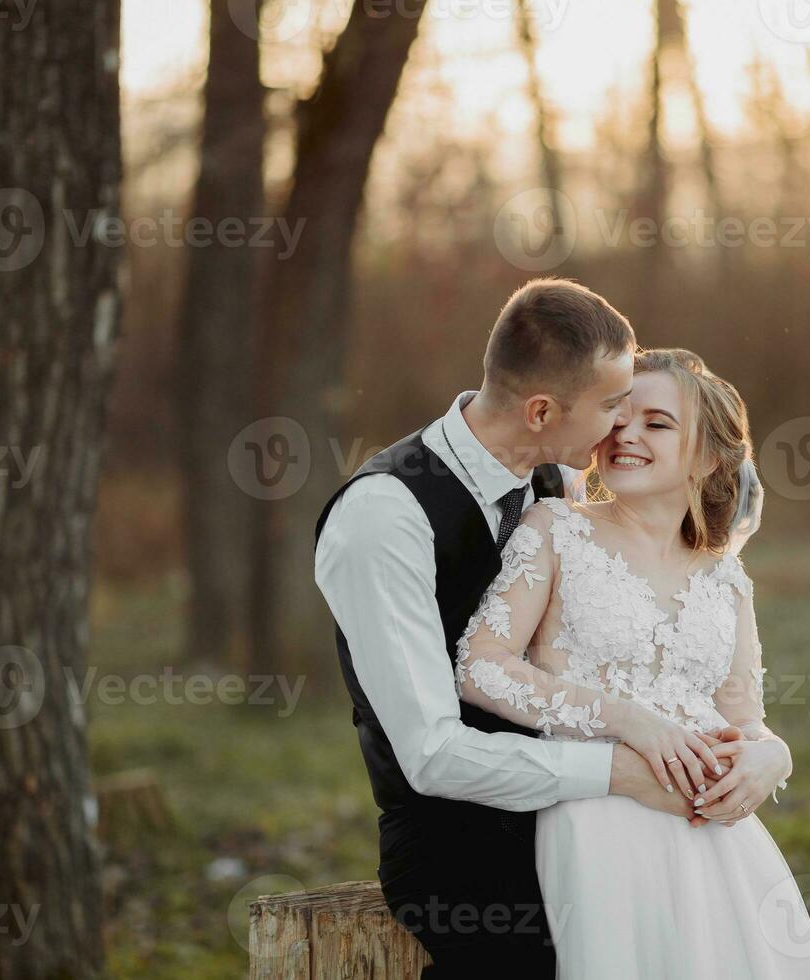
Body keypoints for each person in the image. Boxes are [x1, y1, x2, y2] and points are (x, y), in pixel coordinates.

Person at [314, 280, 782, 978]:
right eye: (611, 408)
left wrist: (768, 754)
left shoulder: (555, 482)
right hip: (463, 849)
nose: (620, 429)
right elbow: (432, 755)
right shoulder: (386, 517)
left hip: (598, 813)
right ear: (541, 411)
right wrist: (617, 771)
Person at [452, 346, 810, 978]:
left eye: (657, 423)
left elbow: (745, 717)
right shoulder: (556, 530)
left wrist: (774, 756)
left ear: (709, 455)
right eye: (618, 419)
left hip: (716, 836)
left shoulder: (725, 577)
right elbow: (480, 665)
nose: (627, 434)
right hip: (601, 817)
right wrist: (627, 720)